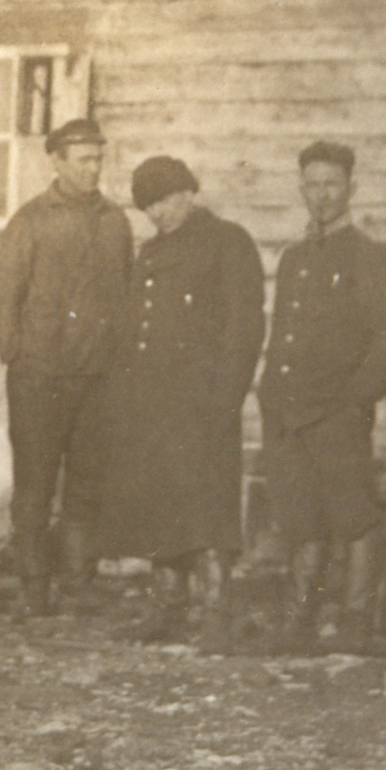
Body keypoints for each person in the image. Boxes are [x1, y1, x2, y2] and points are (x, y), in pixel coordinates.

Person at [92, 156, 266, 650]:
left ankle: (216, 611)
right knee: (158, 503)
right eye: (148, 206)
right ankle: (167, 608)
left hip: (202, 402)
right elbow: (135, 326)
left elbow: (244, 328)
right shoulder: (152, 252)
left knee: (207, 508)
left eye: (164, 201)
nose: (157, 214)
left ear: (188, 193)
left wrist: (226, 396)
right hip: (152, 403)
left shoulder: (227, 242)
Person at [259, 140, 386, 653]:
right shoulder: (294, 259)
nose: (321, 194)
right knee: (301, 517)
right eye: (312, 184)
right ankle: (298, 624)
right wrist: (271, 396)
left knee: (354, 516)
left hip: (336, 412)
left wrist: (355, 400)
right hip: (290, 412)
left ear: (352, 189)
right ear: (301, 189)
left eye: (331, 184)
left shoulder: (367, 256)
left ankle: (356, 626)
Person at [0, 116, 132, 616]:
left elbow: (125, 293)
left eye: (98, 160)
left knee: (87, 484)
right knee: (35, 485)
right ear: (57, 162)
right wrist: (18, 355)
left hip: (97, 378)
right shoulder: (31, 220)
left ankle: (77, 581)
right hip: (40, 378)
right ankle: (33, 584)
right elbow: (2, 295)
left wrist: (115, 361)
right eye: (83, 160)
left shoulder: (115, 222)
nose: (93, 169)